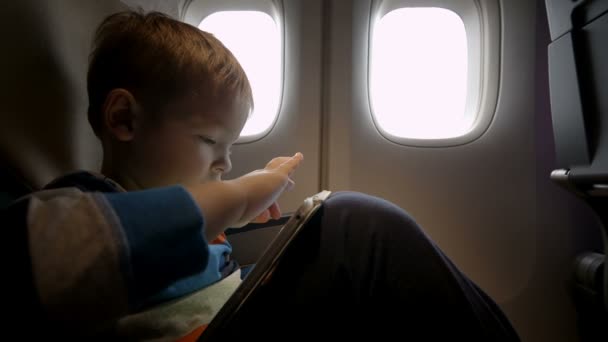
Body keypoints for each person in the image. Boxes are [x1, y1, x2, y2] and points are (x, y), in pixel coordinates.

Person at [2, 9, 519, 341]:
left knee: (337, 227)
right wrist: (241, 194)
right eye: (209, 142)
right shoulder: (78, 208)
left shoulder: (181, 211)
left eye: (229, 149)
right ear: (124, 120)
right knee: (357, 226)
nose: (223, 164)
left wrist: (247, 208)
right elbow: (99, 248)